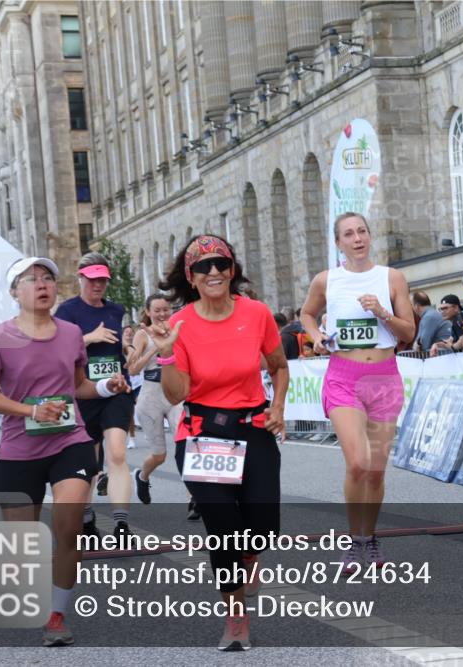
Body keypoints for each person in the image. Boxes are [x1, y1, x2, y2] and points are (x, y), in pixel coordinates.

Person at [0, 257, 127, 647]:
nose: (42, 284)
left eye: (48, 278)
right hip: (18, 448)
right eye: (31, 279)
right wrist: (31, 411)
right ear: (15, 292)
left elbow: (78, 386)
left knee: (69, 527)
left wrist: (106, 387)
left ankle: (56, 616)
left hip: (68, 441)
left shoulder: (72, 333)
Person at [145, 234, 288, 651]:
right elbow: (176, 394)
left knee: (263, 528)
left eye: (220, 264)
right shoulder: (180, 324)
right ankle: (236, 617)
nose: (213, 272)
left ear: (232, 270)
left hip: (253, 426)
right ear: (190, 277)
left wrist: (278, 406)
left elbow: (278, 366)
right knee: (223, 530)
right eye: (202, 266)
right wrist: (166, 355)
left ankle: (250, 555)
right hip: (202, 433)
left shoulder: (256, 313)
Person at [300, 212, 415, 575]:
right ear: (339, 243)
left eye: (362, 231)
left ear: (369, 235)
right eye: (349, 234)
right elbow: (307, 314)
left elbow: (408, 333)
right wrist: (316, 337)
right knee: (358, 463)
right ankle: (353, 539)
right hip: (343, 378)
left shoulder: (392, 278)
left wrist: (382, 312)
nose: (357, 238)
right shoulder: (326, 280)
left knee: (376, 472)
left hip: (384, 378)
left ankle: (369, 535)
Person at [54, 253, 134, 538]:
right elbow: (57, 351)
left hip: (115, 390)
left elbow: (117, 349)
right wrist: (88, 338)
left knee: (117, 452)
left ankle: (121, 524)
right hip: (83, 392)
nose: (98, 285)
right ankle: (87, 520)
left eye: (103, 280)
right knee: (88, 462)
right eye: (92, 280)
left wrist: (128, 352)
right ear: (80, 278)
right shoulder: (67, 311)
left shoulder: (115, 310)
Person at [127, 293, 184, 505]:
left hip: (176, 393)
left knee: (186, 446)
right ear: (148, 312)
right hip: (151, 394)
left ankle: (194, 498)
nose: (162, 314)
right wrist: (154, 350)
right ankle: (142, 476)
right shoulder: (142, 335)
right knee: (159, 455)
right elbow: (133, 370)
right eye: (157, 310)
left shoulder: (177, 330)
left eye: (165, 309)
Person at [123, 324, 143, 450]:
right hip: (127, 382)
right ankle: (132, 438)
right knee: (130, 412)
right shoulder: (120, 348)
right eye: (126, 332)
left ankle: (148, 428)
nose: (129, 334)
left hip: (139, 382)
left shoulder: (139, 346)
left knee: (141, 407)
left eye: (131, 332)